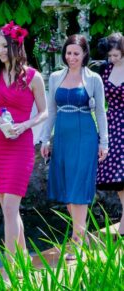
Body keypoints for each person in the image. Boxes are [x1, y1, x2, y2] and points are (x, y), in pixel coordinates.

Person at [40, 34, 109, 259]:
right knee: (69, 188)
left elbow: (100, 112)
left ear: (84, 54)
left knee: (79, 187)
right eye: (68, 53)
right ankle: (82, 234)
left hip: (86, 136)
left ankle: (77, 242)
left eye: (76, 53)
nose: (71, 57)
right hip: (62, 136)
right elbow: (51, 111)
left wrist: (104, 142)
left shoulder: (93, 79)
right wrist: (45, 139)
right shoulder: (55, 77)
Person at [0, 21, 48, 260]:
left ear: (16, 46)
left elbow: (44, 112)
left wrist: (25, 125)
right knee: (8, 209)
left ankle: (10, 270)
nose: (0, 51)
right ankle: (24, 260)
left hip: (21, 146)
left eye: (4, 46)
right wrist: (2, 122)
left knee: (10, 208)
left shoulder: (33, 77)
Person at [96, 32, 124, 237]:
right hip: (111, 124)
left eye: (116, 55)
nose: (112, 59)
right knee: (117, 176)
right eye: (110, 56)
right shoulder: (105, 70)